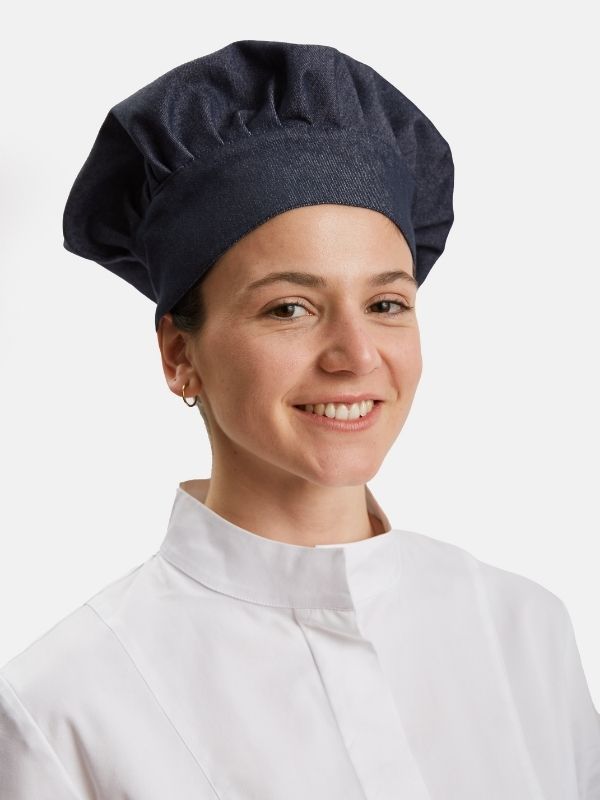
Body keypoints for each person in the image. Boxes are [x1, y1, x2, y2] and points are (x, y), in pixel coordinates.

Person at [1, 40, 598, 800]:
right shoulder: (63, 712)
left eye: (386, 304)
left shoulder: (526, 632)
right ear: (180, 355)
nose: (356, 354)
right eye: (290, 308)